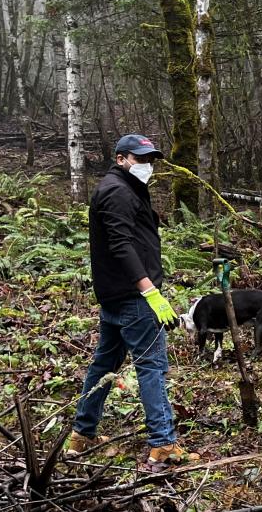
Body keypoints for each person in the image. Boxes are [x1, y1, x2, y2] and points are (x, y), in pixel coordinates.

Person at [68, 134, 181, 457]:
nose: (146, 165)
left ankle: (82, 434)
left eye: (149, 160)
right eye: (139, 158)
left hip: (115, 294)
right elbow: (121, 245)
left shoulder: (123, 188)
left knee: (104, 365)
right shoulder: (117, 192)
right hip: (134, 296)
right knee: (152, 367)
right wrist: (150, 292)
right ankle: (163, 443)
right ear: (121, 159)